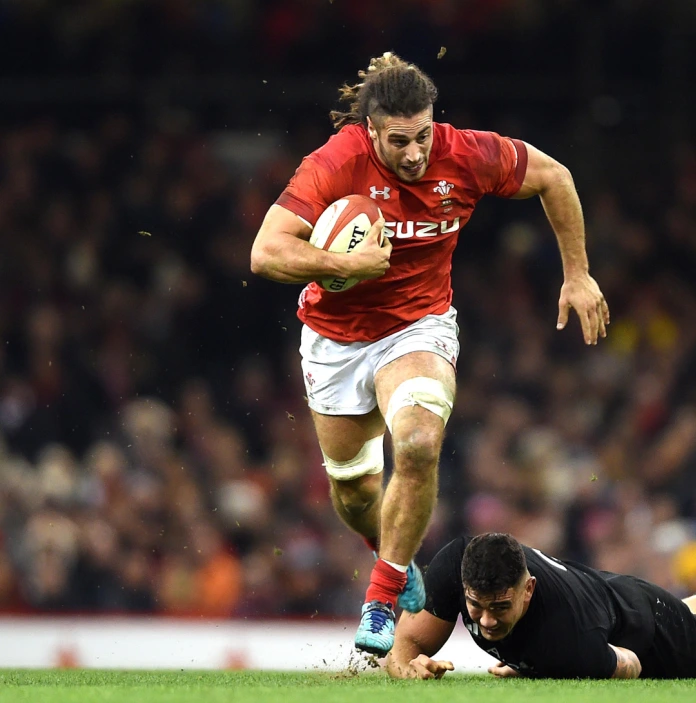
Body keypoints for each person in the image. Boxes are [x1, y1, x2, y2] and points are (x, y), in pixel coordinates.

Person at [250, 52, 610, 656]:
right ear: (371, 130)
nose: (416, 152)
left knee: (417, 442)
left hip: (419, 327)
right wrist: (344, 264)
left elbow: (556, 177)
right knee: (353, 493)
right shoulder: (335, 162)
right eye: (399, 141)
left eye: (422, 135)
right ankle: (392, 553)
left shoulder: (465, 153)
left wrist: (577, 274)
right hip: (335, 340)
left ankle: (381, 597)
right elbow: (265, 252)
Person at [386, 532, 696, 679]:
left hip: (653, 629)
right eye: (475, 605)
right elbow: (405, 643)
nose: (487, 621)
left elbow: (632, 665)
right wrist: (408, 669)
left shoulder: (569, 640)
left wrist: (540, 667)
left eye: (500, 607)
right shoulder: (455, 563)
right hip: (603, 594)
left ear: (528, 589)